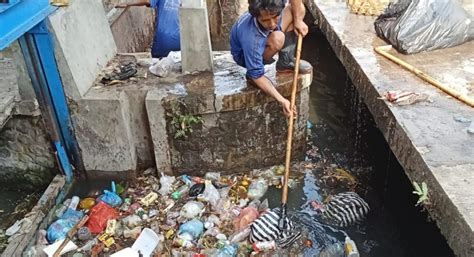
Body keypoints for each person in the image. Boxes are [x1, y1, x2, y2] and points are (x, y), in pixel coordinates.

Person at [230, 0, 312, 117]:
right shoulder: (251, 40)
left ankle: (285, 61)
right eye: (265, 20)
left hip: (264, 36)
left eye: (275, 17)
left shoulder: (274, 5)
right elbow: (257, 76)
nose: (273, 24)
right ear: (256, 17)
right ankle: (253, 67)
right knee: (278, 38)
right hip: (245, 55)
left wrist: (298, 21)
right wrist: (282, 100)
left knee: (298, 9)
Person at [116, 0, 181, 58]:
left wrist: (126, 3)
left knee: (157, 64)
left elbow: (147, 1)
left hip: (163, 41)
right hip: (183, 43)